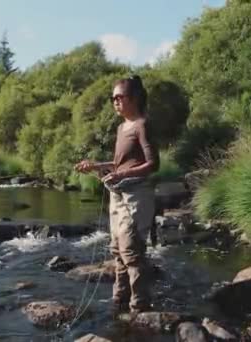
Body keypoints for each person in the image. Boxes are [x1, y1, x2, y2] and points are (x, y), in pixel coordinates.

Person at [74, 75, 159, 314]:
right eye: (113, 98)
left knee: (131, 250)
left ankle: (139, 307)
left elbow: (153, 164)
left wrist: (120, 176)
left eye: (119, 97)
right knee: (117, 250)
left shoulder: (142, 125)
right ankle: (119, 301)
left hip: (137, 196)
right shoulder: (122, 128)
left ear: (134, 98)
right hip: (118, 195)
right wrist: (95, 166)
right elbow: (119, 163)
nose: (115, 101)